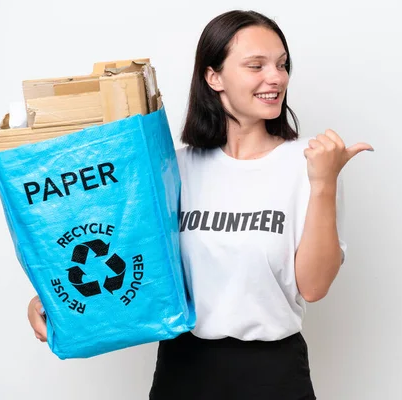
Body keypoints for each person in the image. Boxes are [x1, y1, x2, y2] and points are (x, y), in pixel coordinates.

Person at [27, 9, 373, 400]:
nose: (275, 77)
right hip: (183, 368)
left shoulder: (310, 164)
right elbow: (125, 255)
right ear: (214, 77)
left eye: (282, 64)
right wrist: (57, 298)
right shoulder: (172, 167)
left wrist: (325, 182)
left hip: (273, 374)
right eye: (255, 65)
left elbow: (313, 287)